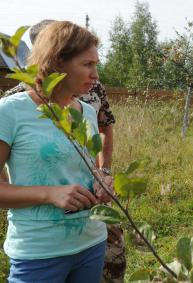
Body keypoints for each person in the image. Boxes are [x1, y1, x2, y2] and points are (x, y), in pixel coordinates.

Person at [2, 20, 125, 283]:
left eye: (96, 65)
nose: (96, 75)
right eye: (87, 64)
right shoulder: (10, 111)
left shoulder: (87, 113)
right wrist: (50, 194)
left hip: (92, 243)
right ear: (58, 62)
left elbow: (84, 168)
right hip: (39, 252)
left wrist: (102, 179)